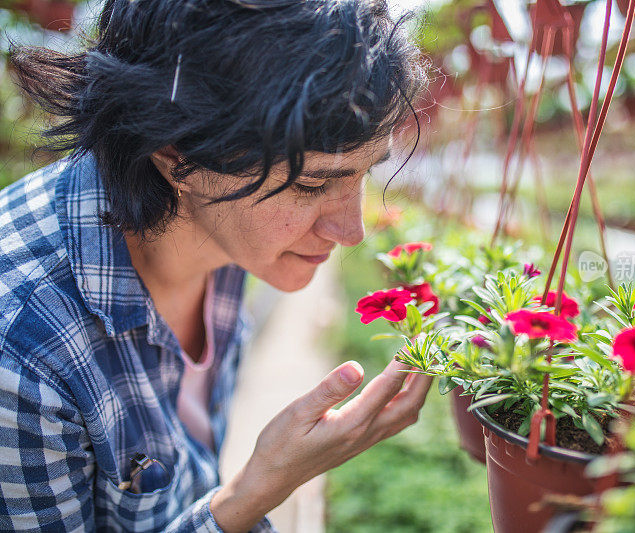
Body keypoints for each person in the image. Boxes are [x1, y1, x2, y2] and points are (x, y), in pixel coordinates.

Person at [0, 0, 429, 531]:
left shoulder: (221, 225)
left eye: (365, 173)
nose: (353, 231)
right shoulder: (22, 354)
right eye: (313, 184)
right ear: (177, 154)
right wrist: (256, 491)